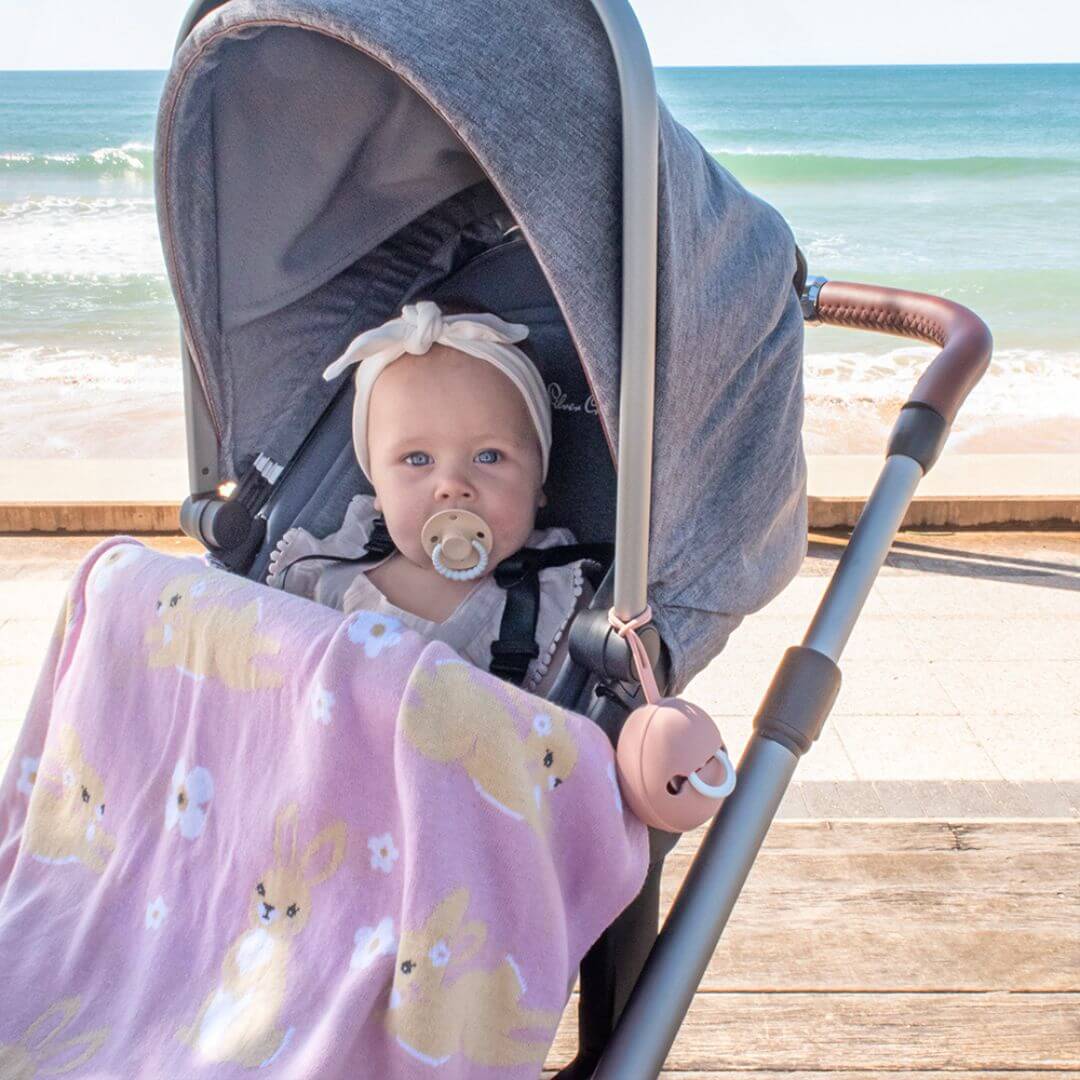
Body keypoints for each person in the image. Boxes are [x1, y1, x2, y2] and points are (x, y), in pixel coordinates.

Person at [266, 301, 599, 694]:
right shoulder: (329, 568)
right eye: (417, 459)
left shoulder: (555, 605)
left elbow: (568, 737)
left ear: (537, 483)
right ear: (378, 489)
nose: (452, 485)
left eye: (488, 456)